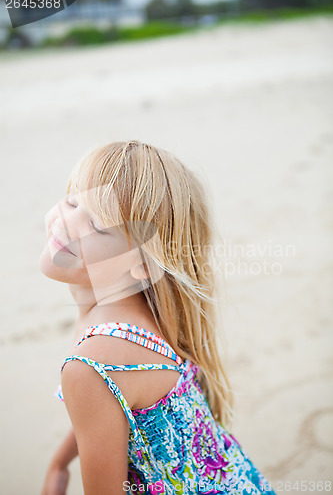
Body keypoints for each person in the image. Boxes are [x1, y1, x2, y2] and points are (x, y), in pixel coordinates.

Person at [39, 140, 276, 495]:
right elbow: (114, 407)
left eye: (99, 226)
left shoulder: (90, 364)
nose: (67, 223)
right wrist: (59, 463)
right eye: (73, 200)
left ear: (142, 263)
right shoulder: (146, 314)